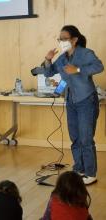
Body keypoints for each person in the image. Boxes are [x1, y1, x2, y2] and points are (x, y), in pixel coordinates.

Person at [43, 25, 104, 185]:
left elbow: (99, 66)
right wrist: (48, 59)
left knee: (86, 138)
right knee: (75, 138)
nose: (61, 41)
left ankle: (91, 173)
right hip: (71, 101)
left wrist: (77, 69)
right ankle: (79, 169)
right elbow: (49, 73)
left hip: (86, 100)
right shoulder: (62, 57)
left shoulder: (85, 53)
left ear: (74, 39)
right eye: (60, 39)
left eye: (64, 39)